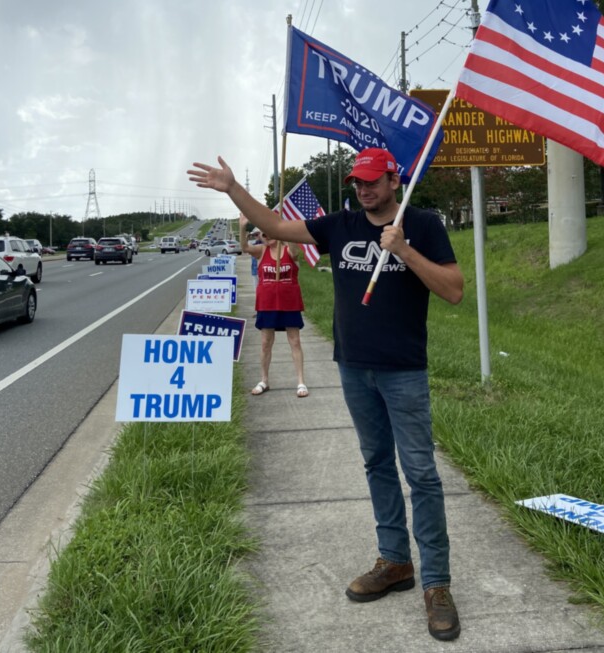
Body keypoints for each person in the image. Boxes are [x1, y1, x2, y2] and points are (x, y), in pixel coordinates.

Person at [189, 148, 464, 642]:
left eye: (372, 182)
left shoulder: (422, 224)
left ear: (393, 181)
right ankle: (395, 561)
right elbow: (273, 223)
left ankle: (437, 585)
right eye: (357, 182)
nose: (363, 190)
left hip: (404, 371)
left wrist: (403, 250)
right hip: (354, 368)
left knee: (420, 473)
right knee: (376, 463)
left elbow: (454, 290)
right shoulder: (338, 225)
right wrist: (232, 189)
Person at [238, 213, 309, 398]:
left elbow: (294, 249)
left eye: (268, 232)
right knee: (265, 343)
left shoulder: (290, 251)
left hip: (289, 303)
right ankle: (264, 380)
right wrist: (243, 226)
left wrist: (284, 229)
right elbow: (244, 247)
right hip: (267, 303)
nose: (265, 236)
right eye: (263, 233)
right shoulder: (261, 251)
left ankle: (301, 381)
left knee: (294, 341)